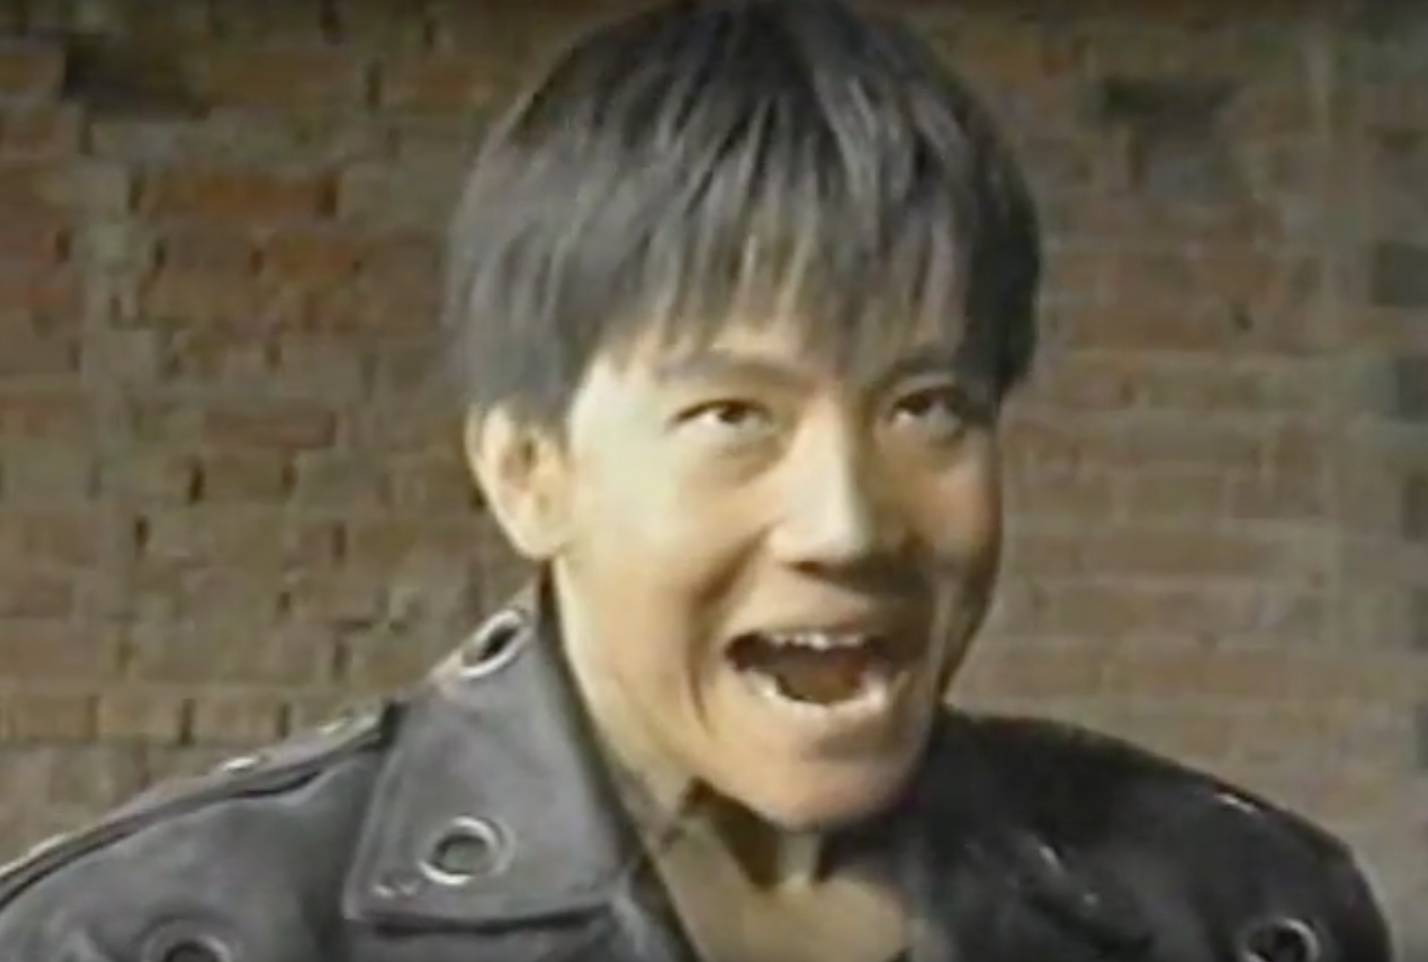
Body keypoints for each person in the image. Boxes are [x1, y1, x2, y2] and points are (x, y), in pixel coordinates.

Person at [0, 2, 1393, 960]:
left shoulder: (1243, 911)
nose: (849, 523)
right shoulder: (161, 935)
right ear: (529, 472)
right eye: (735, 414)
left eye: (926, 407)